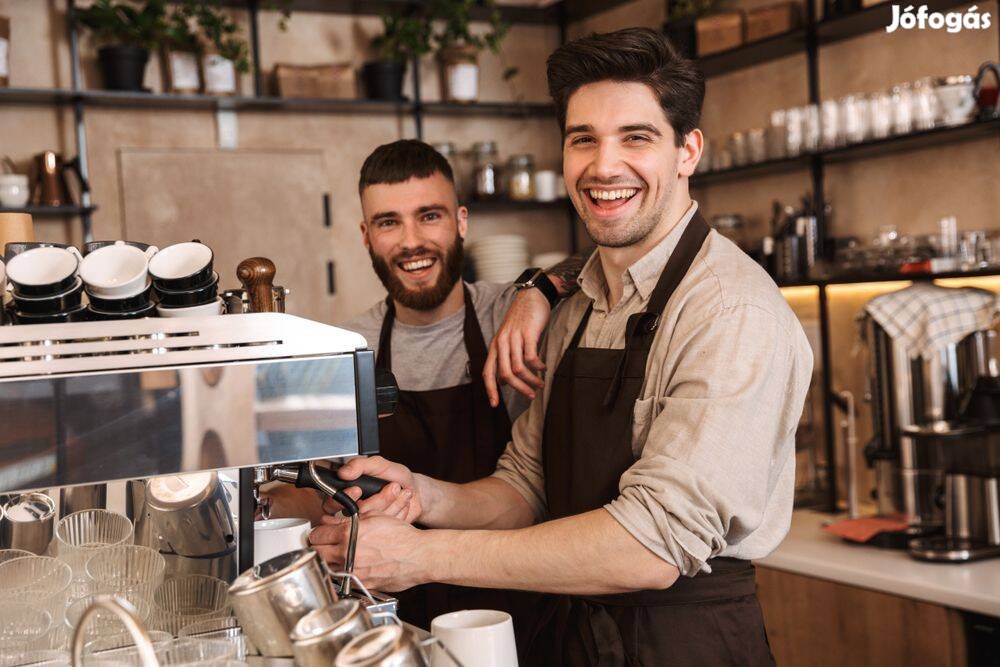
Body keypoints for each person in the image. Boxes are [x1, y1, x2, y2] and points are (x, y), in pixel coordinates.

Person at [311, 28, 814, 665]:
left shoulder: (731, 311)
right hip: (573, 640)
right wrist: (420, 494)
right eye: (584, 140)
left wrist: (418, 555)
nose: (604, 167)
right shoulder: (574, 302)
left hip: (682, 647)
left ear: (688, 151)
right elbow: (528, 485)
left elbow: (653, 546)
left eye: (636, 137)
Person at [264, 139, 584, 636]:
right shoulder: (347, 349)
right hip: (401, 614)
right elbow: (314, 489)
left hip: (524, 601)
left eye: (428, 216)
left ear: (460, 221)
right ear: (366, 236)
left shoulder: (512, 315)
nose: (411, 241)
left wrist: (538, 289)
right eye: (389, 222)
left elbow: (600, 264)